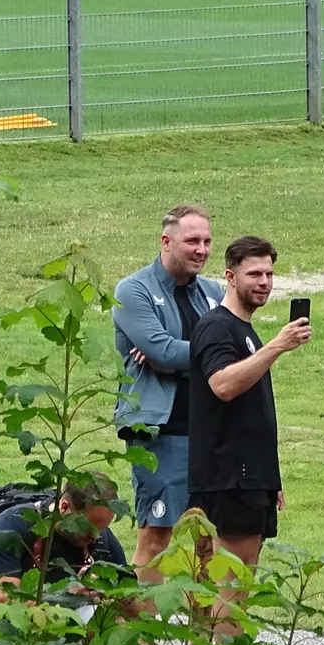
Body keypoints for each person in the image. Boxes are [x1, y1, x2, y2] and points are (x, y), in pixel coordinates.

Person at [188, 235, 311, 633]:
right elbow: (222, 385)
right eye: (254, 273)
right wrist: (276, 346)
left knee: (210, 583)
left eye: (270, 273)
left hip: (244, 476)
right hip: (230, 478)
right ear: (229, 275)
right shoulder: (217, 328)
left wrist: (270, 477)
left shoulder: (243, 330)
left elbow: (254, 414)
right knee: (232, 584)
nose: (264, 282)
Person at [113, 205, 223, 585]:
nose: (202, 250)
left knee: (208, 539)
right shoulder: (133, 290)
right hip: (161, 431)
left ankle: (203, 641)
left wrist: (176, 355)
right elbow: (160, 351)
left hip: (211, 432)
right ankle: (142, 638)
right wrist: (194, 353)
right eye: (193, 241)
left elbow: (230, 352)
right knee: (158, 534)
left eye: (207, 241)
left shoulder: (213, 293)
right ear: (166, 241)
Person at [0, 473, 129, 604]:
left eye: (102, 529)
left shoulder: (102, 540)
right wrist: (67, 597)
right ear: (64, 508)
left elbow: (137, 606)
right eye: (89, 528)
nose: (97, 536)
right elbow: (3, 600)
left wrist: (122, 598)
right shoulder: (12, 526)